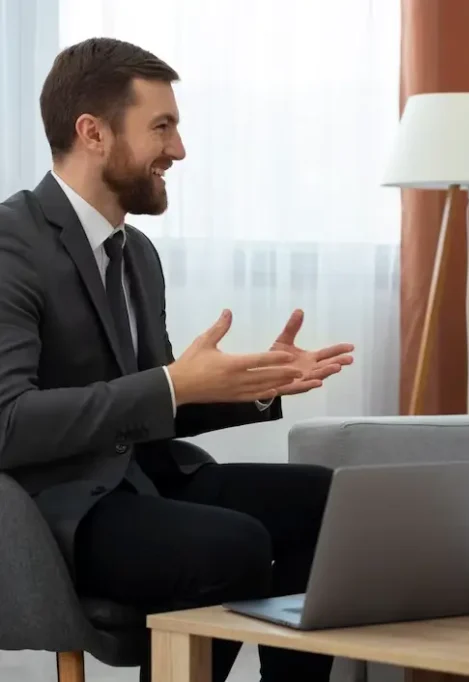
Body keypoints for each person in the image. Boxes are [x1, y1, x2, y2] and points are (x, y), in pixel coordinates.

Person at [0, 38, 349, 681]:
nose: (179, 149)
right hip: (61, 508)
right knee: (234, 546)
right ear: (93, 133)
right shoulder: (10, 243)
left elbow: (157, 406)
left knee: (327, 499)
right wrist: (171, 384)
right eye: (162, 127)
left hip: (144, 478)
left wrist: (256, 383)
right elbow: (10, 423)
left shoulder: (136, 253)